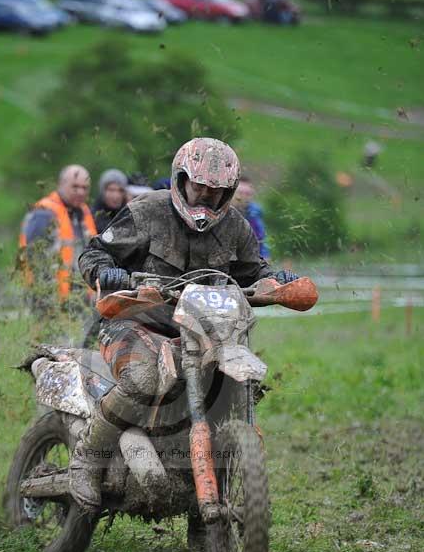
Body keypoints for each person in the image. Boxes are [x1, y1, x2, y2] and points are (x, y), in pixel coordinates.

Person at [69, 137, 298, 512]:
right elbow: (95, 251)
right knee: (142, 380)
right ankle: (88, 460)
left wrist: (277, 282)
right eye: (199, 188)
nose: (205, 198)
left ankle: (206, 523)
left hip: (202, 335)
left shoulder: (236, 228)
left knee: (233, 391)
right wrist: (106, 272)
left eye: (215, 192)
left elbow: (252, 272)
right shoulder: (147, 211)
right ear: (181, 180)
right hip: (134, 324)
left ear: (228, 193)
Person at [18, 164, 97, 305]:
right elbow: (35, 259)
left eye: (85, 188)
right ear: (61, 184)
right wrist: (45, 297)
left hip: (79, 298)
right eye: (75, 187)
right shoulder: (44, 213)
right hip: (49, 297)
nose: (80, 192)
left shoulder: (82, 213)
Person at [232, 175, 270, 259]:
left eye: (248, 194)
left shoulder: (255, 216)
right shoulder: (220, 213)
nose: (243, 197)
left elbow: (262, 244)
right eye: (240, 193)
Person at [92, 169, 128, 234]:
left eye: (120, 190)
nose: (116, 195)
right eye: (111, 190)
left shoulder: (128, 216)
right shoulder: (91, 217)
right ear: (103, 191)